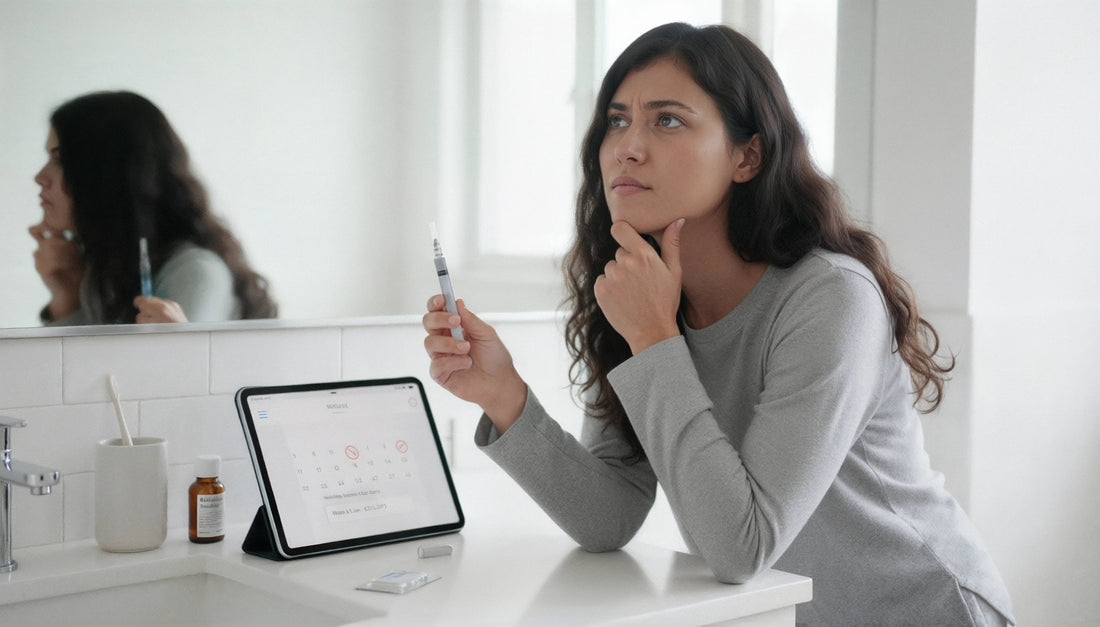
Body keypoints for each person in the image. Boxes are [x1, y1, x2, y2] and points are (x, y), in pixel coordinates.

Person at [424, 23, 1014, 626]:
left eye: (668, 120)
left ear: (746, 155)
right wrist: (505, 397)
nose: (627, 146)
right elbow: (609, 515)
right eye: (617, 119)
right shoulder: (643, 295)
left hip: (927, 611)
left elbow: (742, 547)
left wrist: (654, 337)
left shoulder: (831, 298)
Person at [29, 90, 277, 326]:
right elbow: (72, 368)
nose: (40, 177)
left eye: (60, 160)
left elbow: (154, 369)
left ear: (107, 174)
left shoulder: (195, 271)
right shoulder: (104, 269)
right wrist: (67, 295)